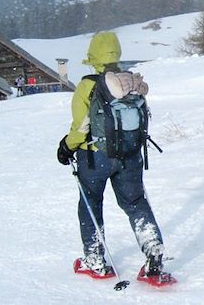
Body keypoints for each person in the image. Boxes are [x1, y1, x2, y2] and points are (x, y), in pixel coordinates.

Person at [56, 31, 168, 281]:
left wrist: (66, 147)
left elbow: (81, 127)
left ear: (92, 55)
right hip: (130, 155)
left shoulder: (88, 84)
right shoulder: (129, 82)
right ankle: (153, 250)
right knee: (136, 203)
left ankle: (95, 259)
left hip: (95, 158)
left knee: (90, 203)